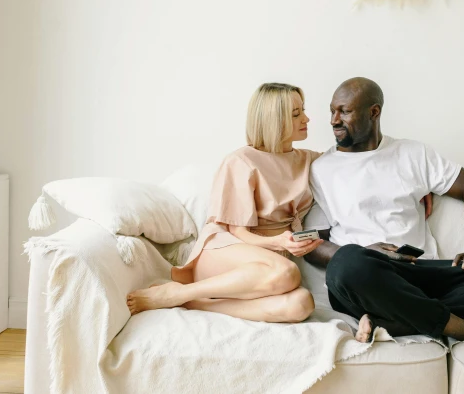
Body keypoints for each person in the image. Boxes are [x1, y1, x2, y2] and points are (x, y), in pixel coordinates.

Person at [303, 77, 464, 347]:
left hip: (421, 271)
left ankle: (396, 323)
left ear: (374, 112)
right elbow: (310, 241)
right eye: (332, 111)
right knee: (347, 262)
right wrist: (364, 252)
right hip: (366, 280)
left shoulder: (412, 153)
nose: (334, 120)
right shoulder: (321, 169)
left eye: (345, 111)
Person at [126, 83, 325, 322]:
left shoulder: (308, 160)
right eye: (296, 114)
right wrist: (277, 241)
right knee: (286, 272)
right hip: (227, 248)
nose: (307, 118)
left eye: (302, 110)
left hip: (266, 264)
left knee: (301, 304)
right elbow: (237, 231)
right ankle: (180, 292)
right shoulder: (241, 161)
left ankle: (190, 301)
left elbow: (348, 161)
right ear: (275, 120)